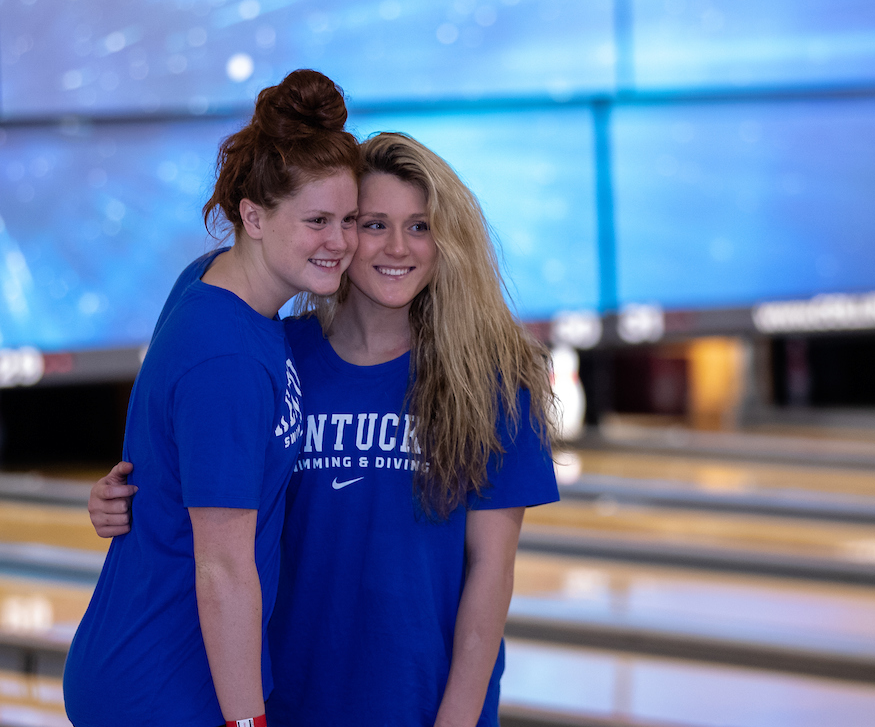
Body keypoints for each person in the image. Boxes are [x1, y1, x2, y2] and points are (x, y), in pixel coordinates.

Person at [89, 132, 560, 726]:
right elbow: (211, 485)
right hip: (284, 703)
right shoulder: (280, 358)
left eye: (419, 226)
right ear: (340, 235)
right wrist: (121, 496)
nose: (397, 247)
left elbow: (492, 572)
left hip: (421, 708)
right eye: (371, 224)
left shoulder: (491, 379)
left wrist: (458, 719)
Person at [67, 70, 361, 727]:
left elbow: (164, 449)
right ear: (253, 215)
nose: (338, 242)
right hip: (164, 686)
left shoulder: (203, 282)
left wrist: (126, 491)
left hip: (163, 667)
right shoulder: (226, 357)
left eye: (346, 219)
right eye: (316, 220)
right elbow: (223, 570)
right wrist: (247, 724)